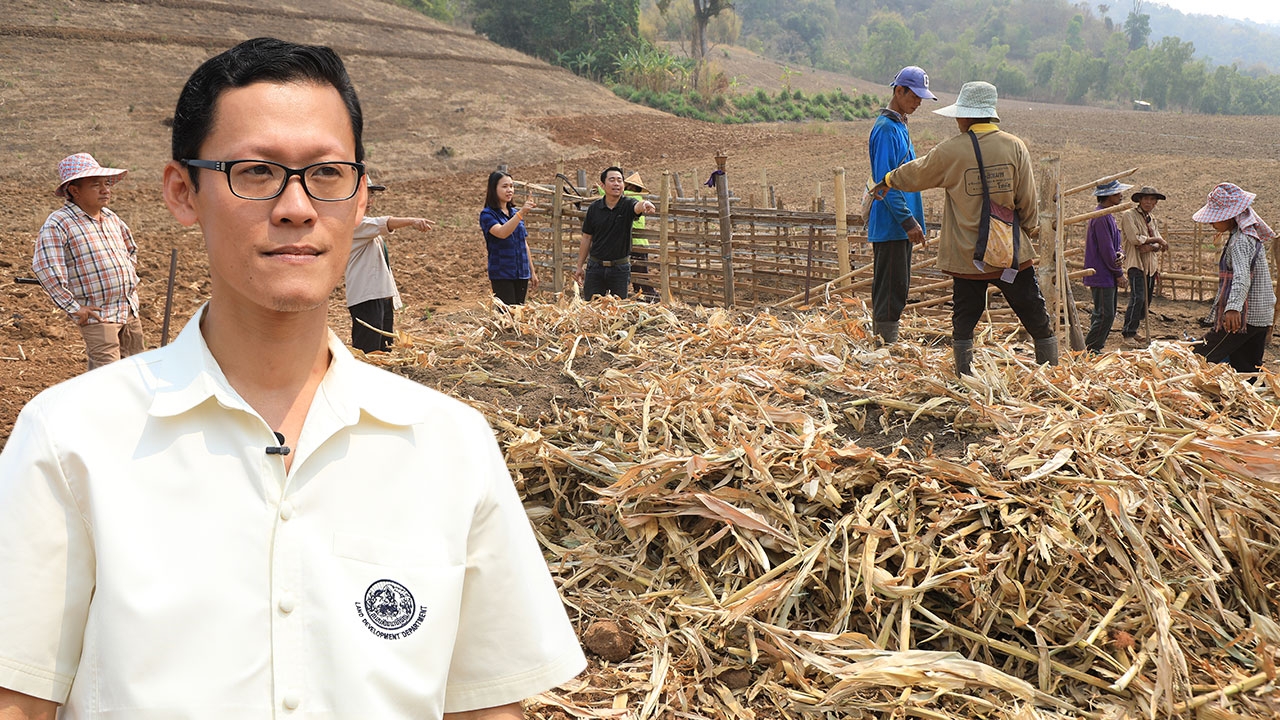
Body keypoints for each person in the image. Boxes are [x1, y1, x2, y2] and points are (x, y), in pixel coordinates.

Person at [0, 37, 584, 720]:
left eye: (327, 174)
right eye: (255, 172)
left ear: (359, 195)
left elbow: (487, 706)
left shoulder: (451, 445)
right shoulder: (70, 441)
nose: (297, 207)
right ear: (183, 193)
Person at [871, 81, 1057, 376]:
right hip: (1010, 252)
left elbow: (918, 172)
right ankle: (1052, 372)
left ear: (965, 116)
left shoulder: (951, 151)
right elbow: (1027, 202)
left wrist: (889, 179)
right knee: (1034, 313)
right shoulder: (1015, 147)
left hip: (968, 256)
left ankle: (964, 374)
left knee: (964, 319)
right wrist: (1029, 230)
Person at [33, 152, 145, 370]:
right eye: (96, 185)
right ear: (74, 191)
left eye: (106, 184)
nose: (106, 190)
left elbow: (131, 249)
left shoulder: (112, 218)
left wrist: (127, 280)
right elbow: (45, 267)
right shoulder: (59, 223)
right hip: (98, 315)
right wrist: (74, 307)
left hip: (128, 309)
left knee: (136, 370)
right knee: (107, 377)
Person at [867, 65, 936, 343]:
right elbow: (887, 183)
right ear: (899, 91)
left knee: (897, 286)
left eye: (921, 97)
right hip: (891, 224)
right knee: (890, 288)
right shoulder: (886, 130)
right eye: (914, 96)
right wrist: (908, 221)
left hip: (898, 225)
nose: (918, 102)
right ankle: (884, 346)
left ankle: (886, 342)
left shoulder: (898, 126)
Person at [1192, 182, 1276, 375]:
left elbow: (1242, 277)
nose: (1211, 222)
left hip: (1242, 318)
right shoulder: (1248, 236)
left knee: (1201, 356)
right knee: (1247, 368)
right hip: (1260, 316)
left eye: (1215, 217)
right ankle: (1254, 401)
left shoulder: (1239, 241)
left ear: (1230, 216)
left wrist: (1232, 309)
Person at [346, 177, 434, 353]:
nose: (369, 200)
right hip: (366, 297)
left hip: (379, 296)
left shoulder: (364, 224)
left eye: (372, 195)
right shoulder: (351, 224)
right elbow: (383, 223)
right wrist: (412, 221)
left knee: (384, 349)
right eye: (364, 194)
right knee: (369, 352)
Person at [575, 166, 655, 300]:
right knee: (592, 307)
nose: (616, 183)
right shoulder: (594, 208)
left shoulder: (628, 204)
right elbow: (587, 238)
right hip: (595, 267)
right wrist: (579, 266)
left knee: (618, 310)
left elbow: (637, 206)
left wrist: (645, 203)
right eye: (612, 180)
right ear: (603, 185)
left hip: (619, 269)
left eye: (619, 180)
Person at [1082, 180, 1131, 354]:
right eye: (1117, 193)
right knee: (1105, 314)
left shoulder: (1107, 215)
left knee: (1102, 313)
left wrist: (1120, 253)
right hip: (1102, 273)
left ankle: (1091, 348)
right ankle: (1089, 349)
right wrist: (1118, 273)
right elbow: (1106, 248)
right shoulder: (1102, 217)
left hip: (1106, 272)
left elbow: (1114, 245)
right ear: (1109, 195)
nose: (1120, 196)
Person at [1119, 185, 1169, 347]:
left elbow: (1157, 242)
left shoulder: (1151, 219)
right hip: (1136, 263)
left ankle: (1134, 329)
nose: (1149, 202)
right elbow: (1134, 239)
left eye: (1152, 199)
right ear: (1139, 200)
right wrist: (1156, 242)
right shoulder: (1129, 215)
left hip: (1150, 265)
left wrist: (1152, 244)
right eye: (1146, 199)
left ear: (1155, 203)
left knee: (1146, 300)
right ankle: (1128, 332)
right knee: (1138, 297)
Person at [480, 170, 539, 305]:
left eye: (511, 186)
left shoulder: (514, 212)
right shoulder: (487, 214)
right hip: (502, 274)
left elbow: (524, 243)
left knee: (519, 314)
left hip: (521, 272)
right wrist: (521, 213)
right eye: (505, 186)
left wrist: (532, 271)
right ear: (494, 189)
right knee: (507, 316)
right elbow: (501, 232)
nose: (509, 190)